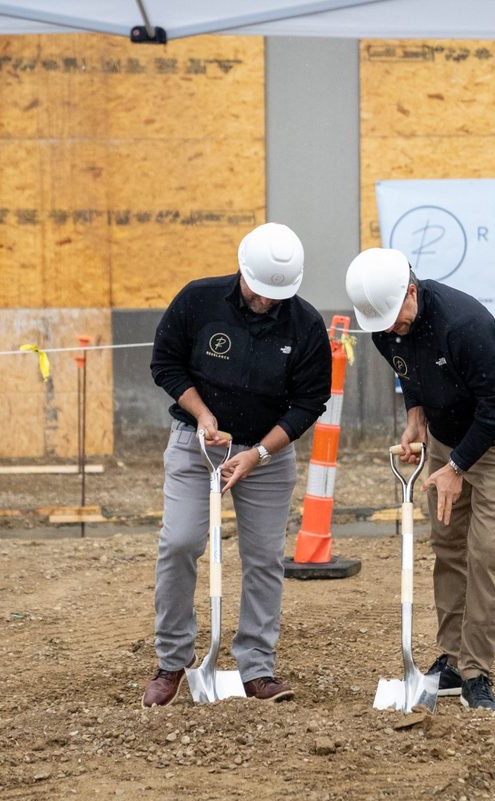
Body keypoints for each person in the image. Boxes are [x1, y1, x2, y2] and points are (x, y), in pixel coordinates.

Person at [142, 222, 332, 707]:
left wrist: (258, 453)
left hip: (266, 455)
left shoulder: (305, 325)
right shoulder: (198, 301)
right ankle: (173, 661)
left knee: (264, 558)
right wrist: (204, 416)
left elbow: (310, 401)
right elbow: (165, 362)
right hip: (196, 442)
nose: (266, 301)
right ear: (242, 271)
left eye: (276, 294)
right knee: (180, 542)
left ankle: (257, 667)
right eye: (258, 290)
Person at [345, 247, 495, 711]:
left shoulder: (464, 325)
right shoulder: (385, 327)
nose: (391, 329)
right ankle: (452, 660)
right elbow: (409, 372)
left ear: (411, 291)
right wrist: (416, 418)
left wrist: (455, 468)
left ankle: (477, 672)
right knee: (449, 546)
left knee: (488, 552)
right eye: (382, 324)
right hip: (446, 438)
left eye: (396, 318)